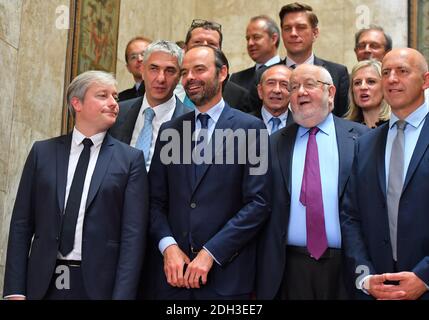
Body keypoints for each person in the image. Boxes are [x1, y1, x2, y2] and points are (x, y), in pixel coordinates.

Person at [3, 71, 149, 300]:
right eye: (103, 95)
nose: (113, 103)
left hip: (100, 285)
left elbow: (133, 236)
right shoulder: (42, 153)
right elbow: (21, 224)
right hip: (43, 281)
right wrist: (14, 290)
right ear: (77, 103)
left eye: (115, 97)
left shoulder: (131, 160)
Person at [147, 45, 270, 299]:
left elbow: (259, 203)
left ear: (222, 72)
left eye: (199, 69)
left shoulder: (252, 129)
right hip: (173, 279)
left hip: (226, 279)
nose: (190, 77)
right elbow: (154, 201)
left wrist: (210, 252)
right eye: (185, 72)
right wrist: (167, 246)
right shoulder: (171, 131)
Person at [257, 64, 367, 299]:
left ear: (331, 92)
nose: (300, 92)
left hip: (347, 267)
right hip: (288, 268)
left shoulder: (362, 139)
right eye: (293, 87)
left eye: (309, 85)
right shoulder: (273, 143)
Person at [340, 48, 429, 300]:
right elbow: (351, 216)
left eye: (402, 71)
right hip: (375, 287)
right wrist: (365, 276)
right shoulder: (366, 144)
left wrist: (424, 276)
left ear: (425, 81)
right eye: (386, 72)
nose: (391, 79)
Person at [249, 2, 350, 117]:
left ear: (315, 33)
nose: (293, 33)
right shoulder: (263, 74)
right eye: (287, 28)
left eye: (300, 27)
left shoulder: (337, 73)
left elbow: (344, 119)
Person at [110, 40, 191, 171]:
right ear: (142, 70)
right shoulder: (118, 112)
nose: (161, 78)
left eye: (170, 71)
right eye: (154, 68)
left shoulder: (191, 123)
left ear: (179, 76)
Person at [182, 19, 250, 112]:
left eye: (211, 44)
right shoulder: (168, 86)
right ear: (185, 49)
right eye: (197, 42)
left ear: (220, 50)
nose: (204, 47)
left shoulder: (238, 96)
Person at [230, 15, 281, 91]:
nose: (250, 43)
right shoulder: (237, 79)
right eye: (248, 39)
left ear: (273, 39)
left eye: (256, 37)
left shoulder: (290, 72)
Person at [345, 59, 390, 128]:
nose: (363, 87)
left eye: (371, 82)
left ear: (384, 87)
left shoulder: (396, 127)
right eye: (357, 83)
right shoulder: (345, 129)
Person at [256, 64, 294, 134]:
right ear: (260, 91)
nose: (277, 90)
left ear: (293, 92)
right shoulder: (242, 124)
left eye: (284, 84)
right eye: (271, 83)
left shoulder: (301, 125)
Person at [118, 36, 152, 102]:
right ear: (128, 67)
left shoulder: (171, 92)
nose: (139, 59)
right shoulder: (121, 100)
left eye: (144, 54)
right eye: (133, 57)